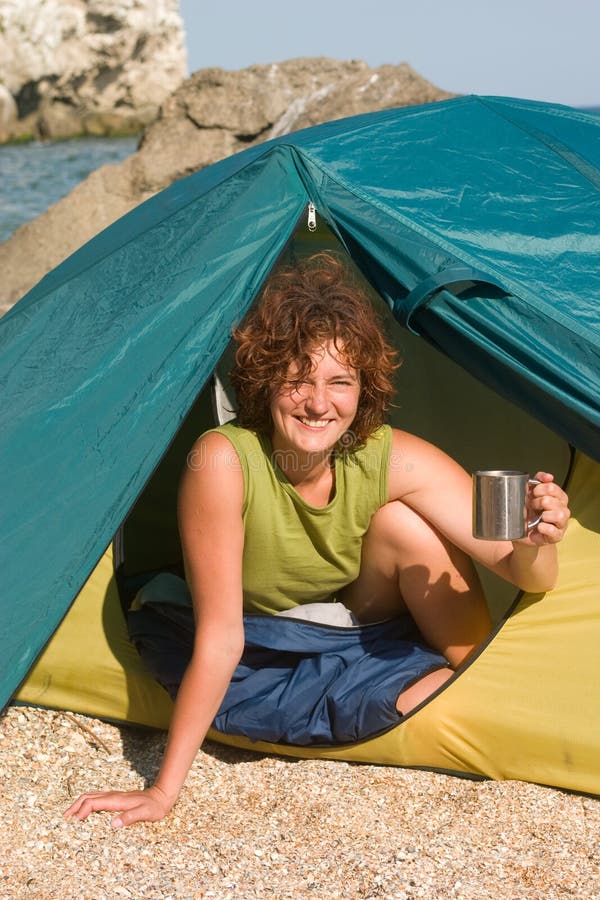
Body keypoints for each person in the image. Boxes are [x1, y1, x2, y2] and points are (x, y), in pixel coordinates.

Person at [65, 252, 570, 828]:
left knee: (407, 525)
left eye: (339, 381)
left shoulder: (393, 452)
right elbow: (222, 638)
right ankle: (449, 698)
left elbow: (531, 575)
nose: (318, 402)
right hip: (256, 644)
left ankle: (477, 685)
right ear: (264, 380)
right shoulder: (223, 461)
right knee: (403, 703)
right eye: (298, 378)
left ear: (362, 390)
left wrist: (535, 540)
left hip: (352, 621)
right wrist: (162, 791)